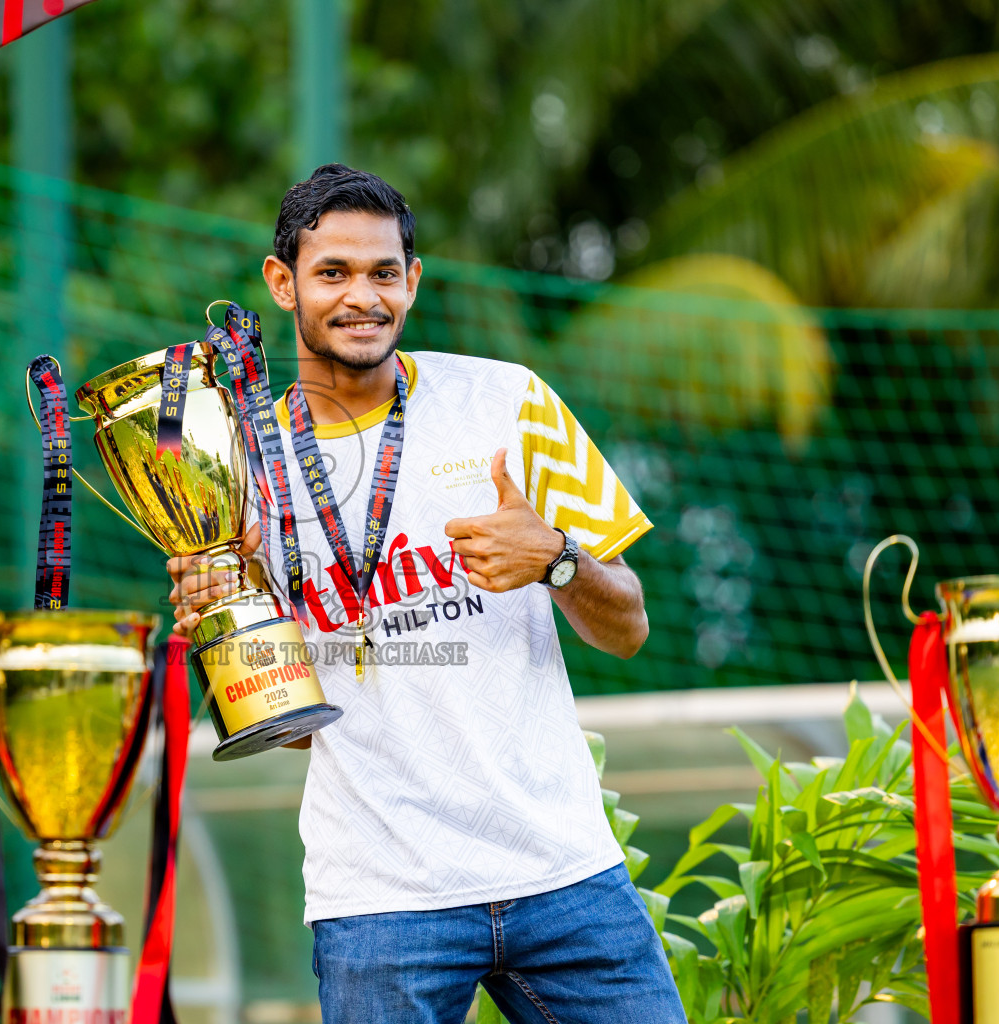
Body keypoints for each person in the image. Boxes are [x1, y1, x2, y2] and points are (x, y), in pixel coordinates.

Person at [168, 164, 684, 1023]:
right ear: (282, 282)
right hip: (379, 896)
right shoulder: (238, 466)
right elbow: (294, 736)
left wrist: (557, 558)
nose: (360, 296)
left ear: (412, 280)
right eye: (331, 273)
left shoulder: (507, 401)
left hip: (562, 872)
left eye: (381, 273)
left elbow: (627, 625)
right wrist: (234, 628)